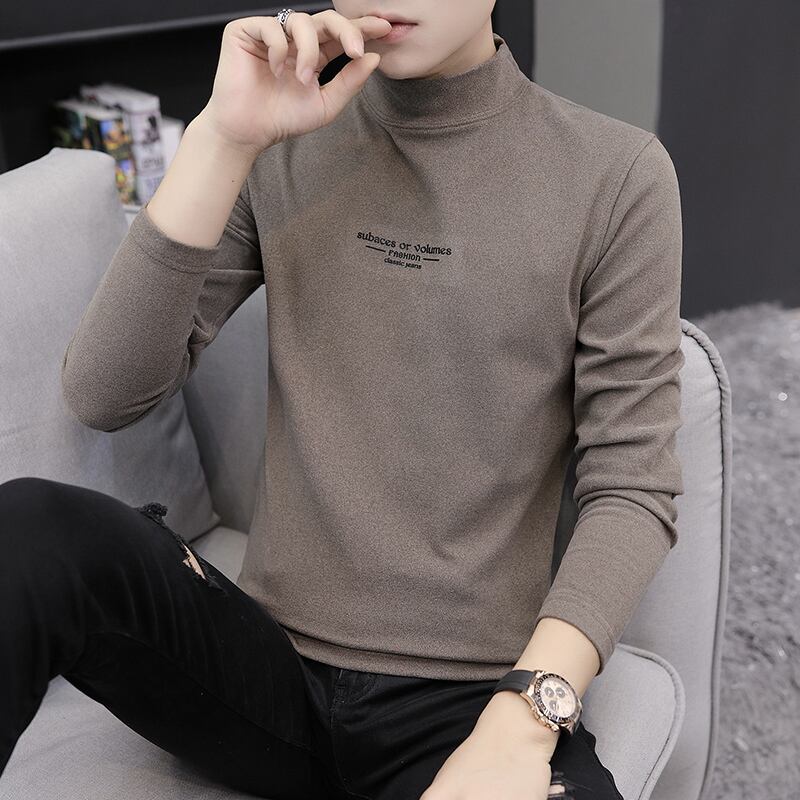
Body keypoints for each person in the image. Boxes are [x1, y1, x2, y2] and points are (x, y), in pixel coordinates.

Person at [1, 3, 685, 799]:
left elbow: (632, 486)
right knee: (34, 528)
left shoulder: (615, 174)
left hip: (467, 703)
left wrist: (524, 719)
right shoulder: (282, 140)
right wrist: (221, 140)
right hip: (261, 671)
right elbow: (104, 393)